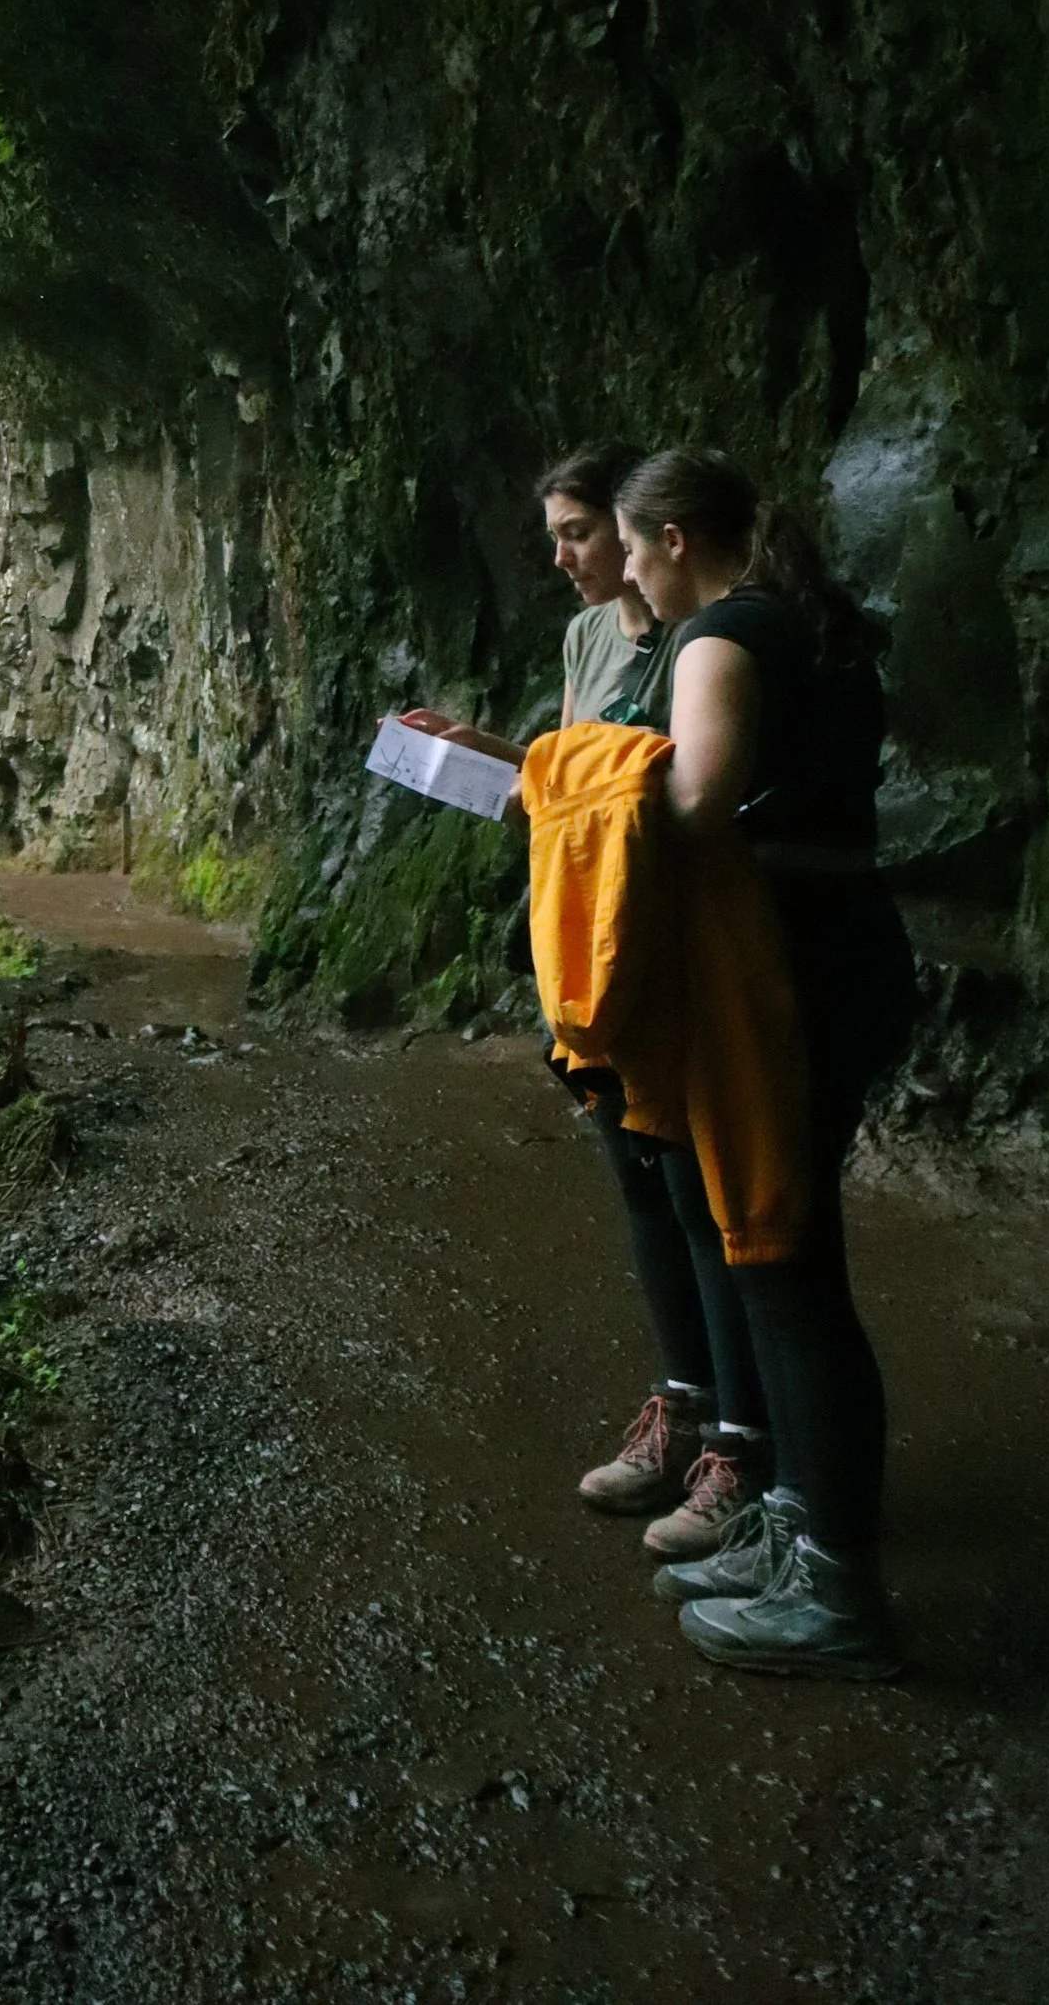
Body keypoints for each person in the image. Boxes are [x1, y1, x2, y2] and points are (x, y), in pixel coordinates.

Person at [405, 448, 771, 1560]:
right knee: (638, 1185)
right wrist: (489, 760)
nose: (560, 556)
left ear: (640, 531)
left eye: (574, 532)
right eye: (558, 533)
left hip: (681, 947)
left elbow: (692, 789)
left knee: (706, 1192)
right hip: (589, 950)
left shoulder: (710, 638)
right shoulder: (585, 638)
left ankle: (741, 1445)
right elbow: (570, 778)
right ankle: (677, 1405)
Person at [612, 448, 916, 1680]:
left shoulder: (723, 639)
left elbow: (695, 799)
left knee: (786, 1272)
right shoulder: (797, 626)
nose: (624, 571)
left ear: (677, 539)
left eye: (631, 546)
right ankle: (797, 1532)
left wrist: (571, 780)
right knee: (766, 1256)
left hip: (782, 985)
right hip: (829, 963)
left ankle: (837, 1592)